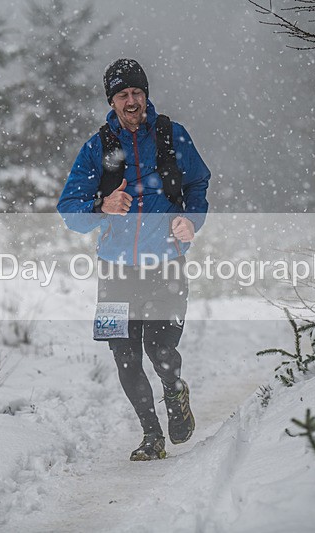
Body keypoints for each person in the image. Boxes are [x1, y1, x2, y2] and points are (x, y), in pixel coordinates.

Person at [57, 58, 210, 461]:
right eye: (123, 94)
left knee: (161, 352)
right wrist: (101, 204)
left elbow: (198, 182)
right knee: (125, 358)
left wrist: (191, 221)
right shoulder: (97, 148)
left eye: (137, 93)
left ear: (146, 95)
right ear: (112, 100)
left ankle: (174, 391)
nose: (131, 101)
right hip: (114, 269)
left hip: (166, 264)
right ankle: (151, 435)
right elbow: (69, 210)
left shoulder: (172, 136)